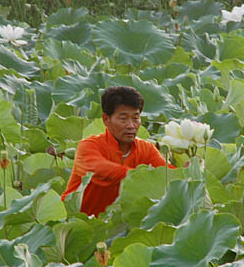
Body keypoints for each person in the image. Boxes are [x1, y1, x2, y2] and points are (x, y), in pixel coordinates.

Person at [61, 86, 169, 216]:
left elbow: (167, 176)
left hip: (117, 227)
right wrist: (144, 176)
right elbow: (101, 171)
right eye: (123, 118)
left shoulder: (147, 149)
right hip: (78, 223)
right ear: (106, 119)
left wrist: (189, 171)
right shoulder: (88, 146)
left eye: (135, 118)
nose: (131, 125)